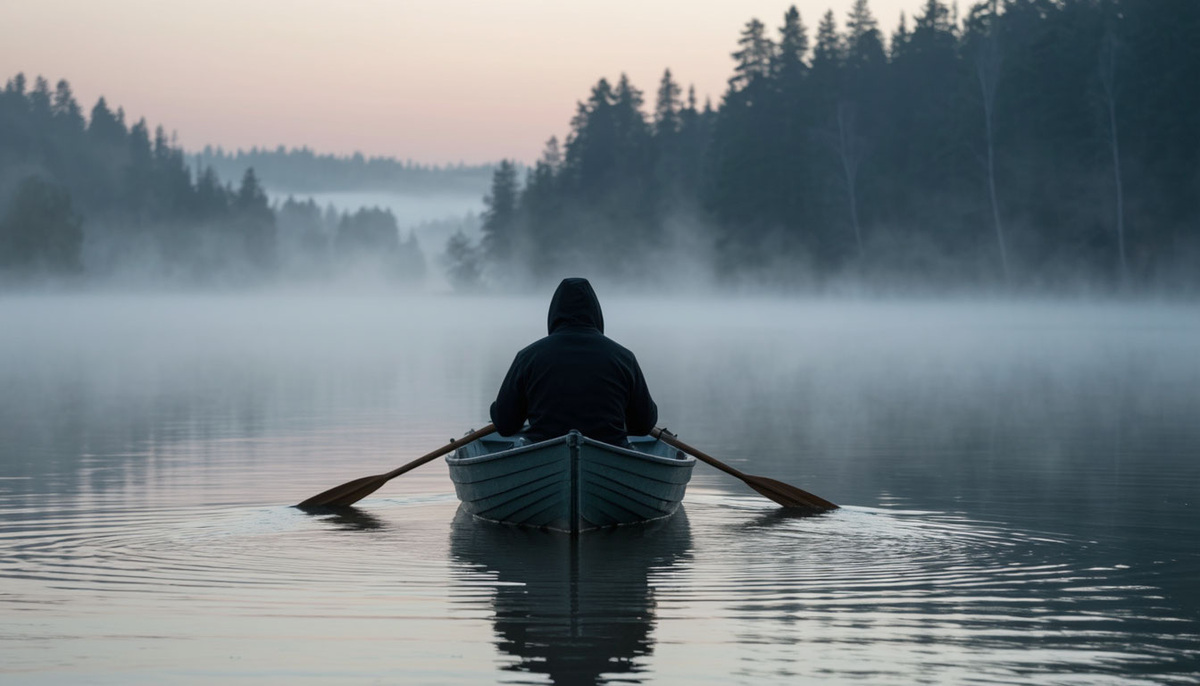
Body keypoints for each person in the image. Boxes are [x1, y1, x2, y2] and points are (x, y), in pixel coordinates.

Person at [490, 277, 657, 447]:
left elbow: (504, 425)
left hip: (542, 447)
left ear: (554, 313)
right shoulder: (624, 358)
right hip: (611, 446)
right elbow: (643, 426)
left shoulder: (527, 357)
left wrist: (499, 409)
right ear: (596, 313)